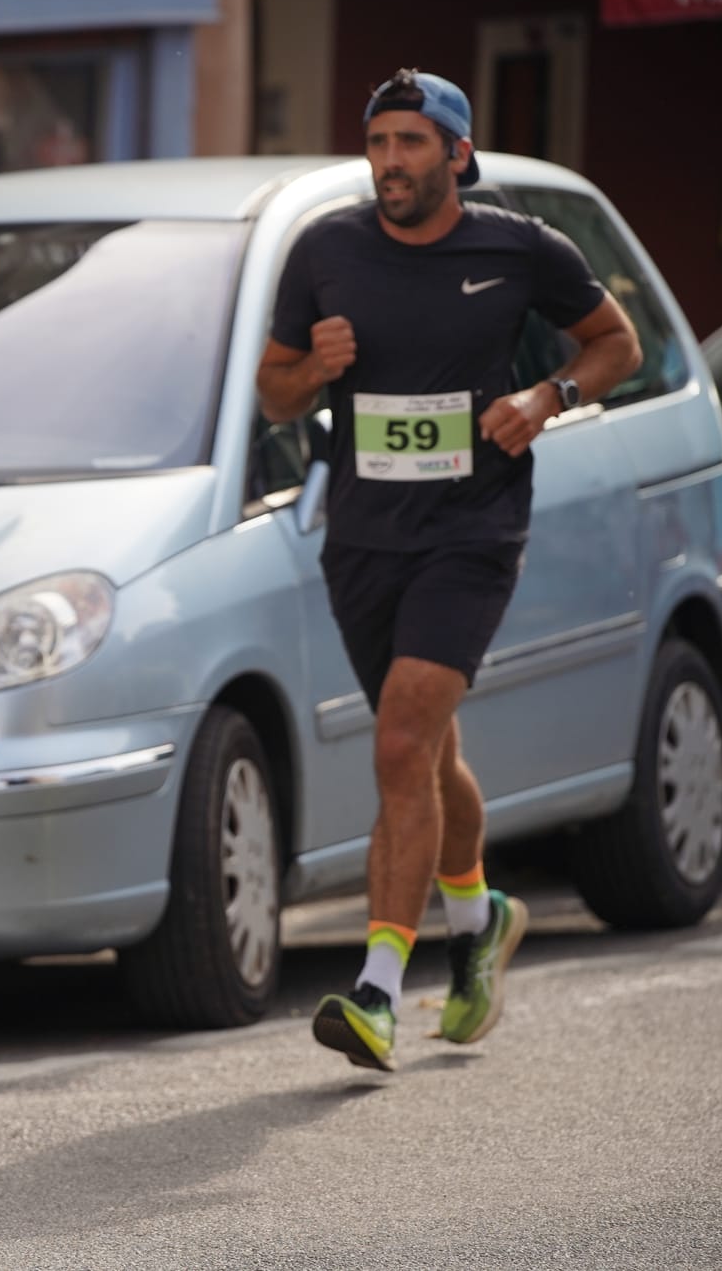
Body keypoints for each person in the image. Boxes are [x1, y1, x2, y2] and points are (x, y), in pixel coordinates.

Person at [255, 69, 642, 1071]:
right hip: (361, 534)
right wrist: (312, 370)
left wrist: (546, 395)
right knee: (423, 749)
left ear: (454, 156)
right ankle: (479, 915)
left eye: (410, 143)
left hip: (471, 530)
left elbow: (615, 343)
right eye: (377, 142)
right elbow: (273, 395)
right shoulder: (324, 249)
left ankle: (378, 989)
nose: (389, 161)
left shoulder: (517, 249)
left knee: (396, 740)